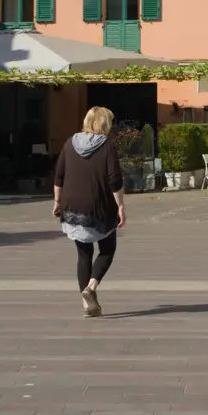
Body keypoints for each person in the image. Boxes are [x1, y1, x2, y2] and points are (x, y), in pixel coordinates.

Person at [52, 106, 125, 318]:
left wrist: (57, 201)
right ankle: (91, 287)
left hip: (72, 206)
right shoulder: (108, 146)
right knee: (107, 249)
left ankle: (87, 305)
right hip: (99, 207)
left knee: (83, 254)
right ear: (105, 124)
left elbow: (59, 175)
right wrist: (120, 206)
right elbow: (115, 180)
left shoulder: (69, 143)